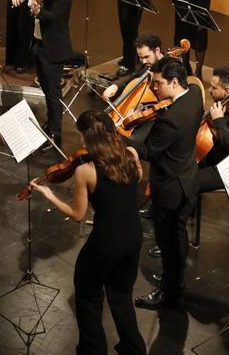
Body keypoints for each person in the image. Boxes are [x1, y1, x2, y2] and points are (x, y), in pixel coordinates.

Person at [29, 110, 146, 355]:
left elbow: (78, 214)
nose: (81, 142)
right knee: (121, 294)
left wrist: (49, 194)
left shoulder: (86, 171)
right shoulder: (131, 155)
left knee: (88, 298)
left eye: (82, 136)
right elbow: (137, 181)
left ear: (88, 138)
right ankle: (134, 349)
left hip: (105, 242)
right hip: (134, 236)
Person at [126, 56, 203, 307]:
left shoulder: (171, 120)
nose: (153, 88)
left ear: (173, 82)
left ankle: (169, 291)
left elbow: (148, 151)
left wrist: (118, 138)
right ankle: (174, 280)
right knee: (178, 236)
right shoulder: (193, 94)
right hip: (188, 177)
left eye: (158, 83)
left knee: (168, 240)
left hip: (170, 187)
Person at [12, 0, 73, 148]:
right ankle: (50, 124)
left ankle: (56, 135)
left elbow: (55, 16)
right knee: (46, 90)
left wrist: (38, 10)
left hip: (54, 50)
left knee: (53, 93)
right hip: (39, 45)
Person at [101, 33, 164, 102]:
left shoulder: (169, 68)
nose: (143, 61)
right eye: (140, 57)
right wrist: (116, 86)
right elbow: (132, 78)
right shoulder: (145, 64)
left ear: (157, 51)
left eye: (146, 57)